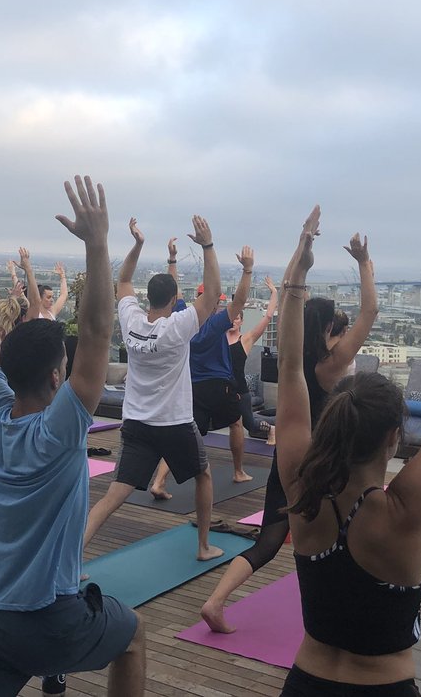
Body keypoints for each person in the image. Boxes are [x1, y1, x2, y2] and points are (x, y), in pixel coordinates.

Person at [267, 207, 421, 696]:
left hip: (305, 684)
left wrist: (297, 275)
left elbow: (289, 369)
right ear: (394, 436)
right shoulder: (406, 510)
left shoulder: (302, 489)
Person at [0, 177, 145, 696]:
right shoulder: (60, 430)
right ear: (57, 378)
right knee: (133, 635)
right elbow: (97, 330)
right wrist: (98, 243)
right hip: (52, 621)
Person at [200, 233, 376, 634]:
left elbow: (291, 299)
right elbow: (370, 311)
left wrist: (301, 251)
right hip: (327, 460)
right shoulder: (333, 365)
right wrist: (364, 263)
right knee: (342, 535)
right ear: (328, 326)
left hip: (289, 457)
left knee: (268, 540)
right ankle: (345, 613)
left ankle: (215, 601)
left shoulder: (290, 359)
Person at [83, 214, 225, 562]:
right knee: (204, 476)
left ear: (148, 297)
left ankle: (72, 556)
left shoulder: (131, 321)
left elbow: (123, 279)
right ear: (174, 299)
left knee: (115, 493)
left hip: (136, 423)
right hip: (174, 423)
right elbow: (213, 295)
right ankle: (203, 547)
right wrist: (207, 245)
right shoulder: (177, 327)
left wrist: (138, 244)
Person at [148, 246, 256, 494]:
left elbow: (173, 291)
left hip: (191, 387)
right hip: (219, 385)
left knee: (183, 434)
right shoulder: (214, 325)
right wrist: (247, 270)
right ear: (213, 302)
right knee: (236, 422)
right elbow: (239, 302)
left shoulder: (183, 322)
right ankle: (238, 471)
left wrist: (173, 259)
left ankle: (159, 481)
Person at [227, 275, 277, 444]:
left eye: (237, 318)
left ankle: (271, 429)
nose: (233, 321)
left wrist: (274, 292)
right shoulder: (219, 336)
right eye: (232, 317)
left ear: (241, 321)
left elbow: (267, 317)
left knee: (250, 424)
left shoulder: (246, 340)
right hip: (222, 389)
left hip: (240, 390)